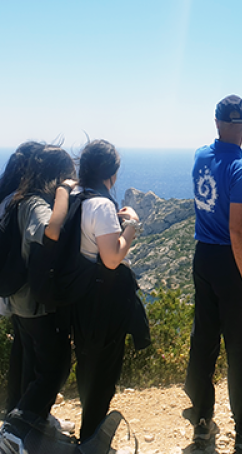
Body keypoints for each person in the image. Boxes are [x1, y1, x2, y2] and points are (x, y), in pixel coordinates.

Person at [183, 95, 242, 452]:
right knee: (241, 349)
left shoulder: (200, 156)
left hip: (202, 256)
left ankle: (203, 423)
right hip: (230, 262)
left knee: (203, 339)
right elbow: (238, 230)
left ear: (216, 121)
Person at [1, 144, 77, 446]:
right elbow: (50, 231)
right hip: (35, 302)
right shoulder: (35, 203)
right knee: (54, 369)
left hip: (17, 300)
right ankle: (14, 433)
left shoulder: (13, 199)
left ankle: (29, 423)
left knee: (29, 364)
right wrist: (64, 192)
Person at [72, 139, 145, 441]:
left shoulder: (75, 196)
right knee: (103, 372)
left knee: (87, 364)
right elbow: (113, 258)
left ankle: (88, 432)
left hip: (78, 295)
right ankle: (91, 439)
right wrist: (131, 227)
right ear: (111, 173)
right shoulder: (100, 204)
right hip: (101, 302)